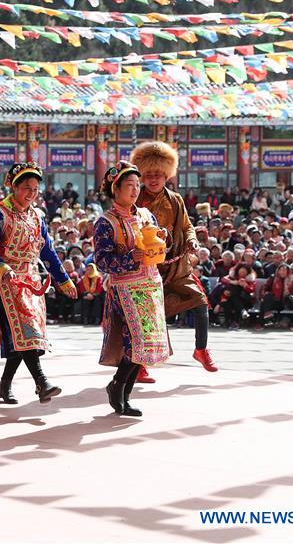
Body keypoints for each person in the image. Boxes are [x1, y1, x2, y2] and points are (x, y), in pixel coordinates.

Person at [0, 161, 77, 405]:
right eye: (26, 187)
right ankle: (42, 382)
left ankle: (4, 386)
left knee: (23, 339)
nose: (31, 193)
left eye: (35, 189)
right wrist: (2, 267)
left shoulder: (37, 216)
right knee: (26, 334)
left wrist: (63, 278)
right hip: (8, 283)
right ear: (14, 187)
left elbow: (48, 251)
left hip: (33, 282)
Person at [93, 161, 172, 418]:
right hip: (125, 288)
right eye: (130, 185)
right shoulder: (106, 222)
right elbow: (102, 260)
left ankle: (121, 391)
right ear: (115, 189)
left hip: (149, 284)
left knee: (146, 342)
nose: (135, 190)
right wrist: (130, 257)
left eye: (137, 185)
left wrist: (161, 239)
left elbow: (158, 245)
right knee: (135, 341)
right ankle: (119, 389)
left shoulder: (146, 215)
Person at [135, 141, 216, 382]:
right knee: (145, 316)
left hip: (177, 266)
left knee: (200, 304)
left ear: (166, 174)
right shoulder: (136, 200)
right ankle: (139, 364)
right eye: (148, 175)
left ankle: (201, 349)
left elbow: (186, 226)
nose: (153, 179)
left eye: (158, 174)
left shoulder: (176, 199)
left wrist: (191, 240)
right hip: (148, 267)